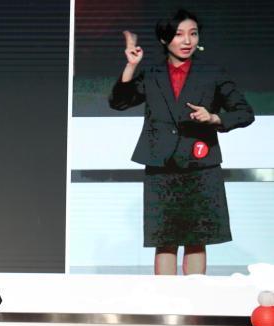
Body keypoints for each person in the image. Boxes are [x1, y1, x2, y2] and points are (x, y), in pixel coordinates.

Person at [109, 9, 254, 275]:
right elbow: (119, 102)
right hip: (161, 165)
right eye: (179, 34)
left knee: (196, 240)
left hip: (200, 165)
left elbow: (245, 112)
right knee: (164, 240)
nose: (187, 41)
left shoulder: (212, 73)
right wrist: (131, 65)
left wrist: (214, 118)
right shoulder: (152, 73)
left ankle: (195, 298)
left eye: (193, 34)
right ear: (165, 39)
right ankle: (165, 299)